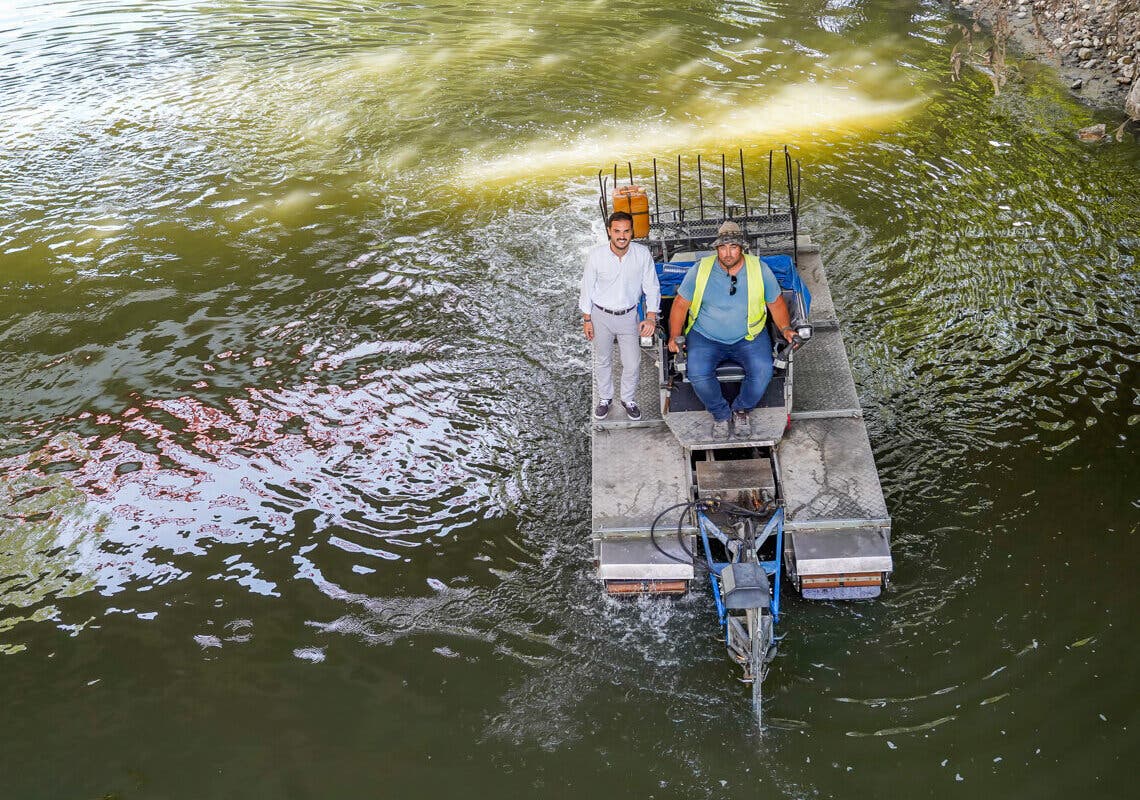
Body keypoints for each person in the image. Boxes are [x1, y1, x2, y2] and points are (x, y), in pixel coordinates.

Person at [667, 221, 796, 438]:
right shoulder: (700, 269)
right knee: (697, 372)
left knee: (763, 371)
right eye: (723, 248)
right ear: (717, 248)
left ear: (741, 248)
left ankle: (741, 409)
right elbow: (681, 304)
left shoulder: (759, 269)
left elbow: (775, 303)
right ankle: (721, 414)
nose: (728, 253)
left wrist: (785, 329)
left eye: (733, 247)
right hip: (705, 336)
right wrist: (673, 336)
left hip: (750, 336)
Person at [579, 211, 661, 421]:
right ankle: (605, 398)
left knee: (632, 362)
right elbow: (587, 288)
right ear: (609, 232)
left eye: (626, 231)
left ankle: (628, 399)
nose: (622, 236)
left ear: (632, 232)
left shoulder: (642, 254)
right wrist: (587, 319)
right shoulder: (596, 255)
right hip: (600, 316)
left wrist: (650, 316)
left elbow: (651, 287)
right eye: (617, 231)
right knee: (603, 359)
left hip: (629, 316)